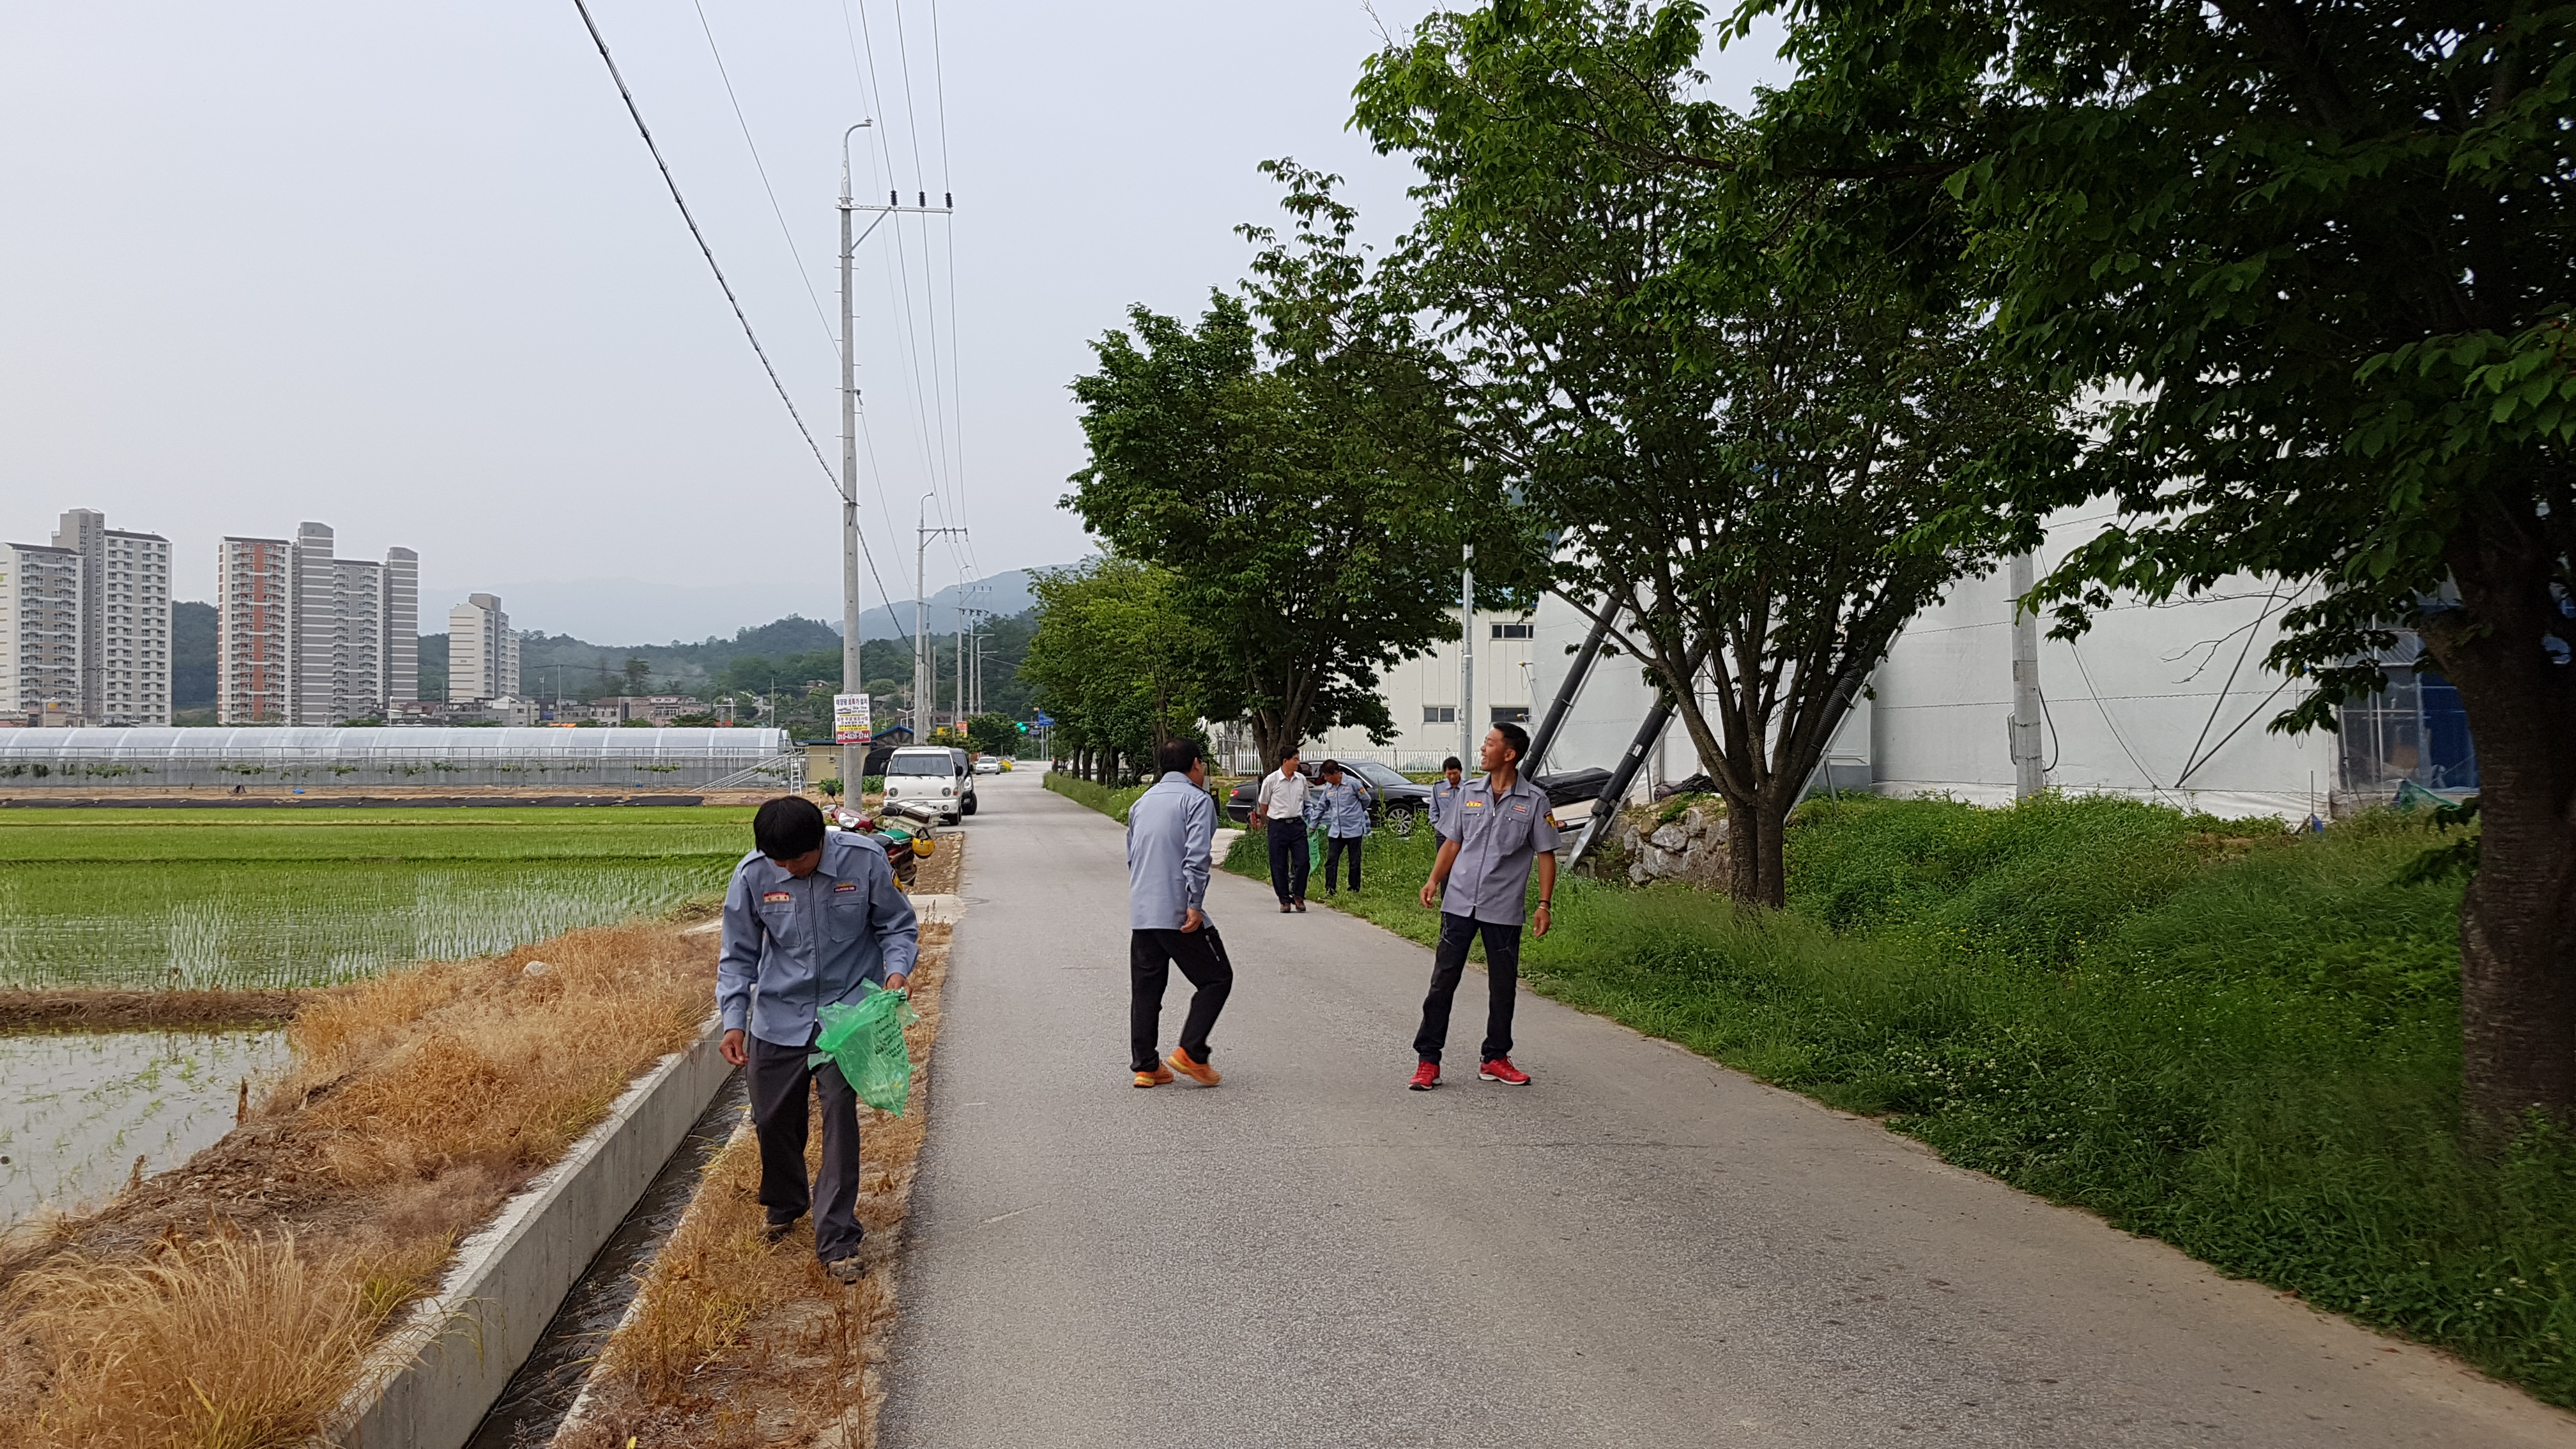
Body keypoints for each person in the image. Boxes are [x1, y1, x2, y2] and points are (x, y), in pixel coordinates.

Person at [718, 795, 919, 1282]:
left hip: (846, 1016)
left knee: (839, 1120)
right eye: (779, 862)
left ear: (820, 844)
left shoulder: (863, 861)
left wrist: (896, 972)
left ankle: (838, 1240)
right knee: (772, 1119)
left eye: (797, 860)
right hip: (778, 1015)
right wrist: (734, 1019)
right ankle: (787, 1202)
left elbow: (897, 926)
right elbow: (738, 956)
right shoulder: (753, 874)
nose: (788, 869)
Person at [1410, 723, 1558, 1090]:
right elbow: (1452, 843)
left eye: (1489, 744)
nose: (1482, 749)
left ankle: (1495, 1057)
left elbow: (1546, 854)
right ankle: (1428, 1060)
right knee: (1442, 983)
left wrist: (1544, 904)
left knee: (1503, 987)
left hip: (1503, 907)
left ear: (1509, 754)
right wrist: (1433, 880)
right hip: (1459, 902)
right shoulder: (1468, 793)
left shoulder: (1534, 801)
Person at [1127, 739, 1232, 1087]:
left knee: (1146, 990)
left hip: (1143, 911)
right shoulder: (1197, 801)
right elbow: (1197, 857)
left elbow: (1132, 857)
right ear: (1196, 764)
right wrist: (1195, 904)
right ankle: (1192, 1052)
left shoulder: (1142, 802)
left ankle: (1146, 1066)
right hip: (1177, 911)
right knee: (1217, 978)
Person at [1254, 746, 1313, 913]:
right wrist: (1275, 818)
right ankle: (1284, 900)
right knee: (1279, 864)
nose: (1298, 763)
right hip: (1278, 826)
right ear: (1286, 761)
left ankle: (1298, 895)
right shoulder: (1272, 780)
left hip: (1297, 825)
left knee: (1303, 861)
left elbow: (1306, 801)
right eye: (1295, 759)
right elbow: (1264, 805)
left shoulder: (1301, 780)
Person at [1307, 760, 1371, 896]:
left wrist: (1356, 813)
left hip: (1354, 830)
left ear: (1336, 773)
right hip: (1336, 831)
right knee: (1331, 861)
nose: (1325, 779)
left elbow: (1366, 800)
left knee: (1354, 862)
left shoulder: (1353, 784)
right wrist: (1313, 825)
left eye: (1327, 776)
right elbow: (1321, 807)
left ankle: (1354, 889)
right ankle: (1330, 890)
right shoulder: (1329, 788)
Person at [1428, 755, 1465, 843]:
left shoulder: (1468, 788)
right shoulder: (1438, 787)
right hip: (1443, 833)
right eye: (1449, 774)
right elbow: (1433, 810)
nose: (1452, 777)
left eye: (1455, 773)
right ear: (1444, 772)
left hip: (1463, 833)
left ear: (1460, 771)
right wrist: (1438, 827)